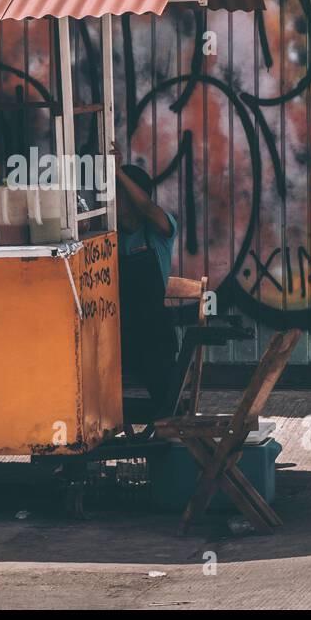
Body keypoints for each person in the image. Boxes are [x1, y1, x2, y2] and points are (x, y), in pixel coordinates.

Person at [110, 143, 180, 421]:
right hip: (119, 331)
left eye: (120, 195)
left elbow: (148, 209)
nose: (115, 201)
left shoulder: (160, 229)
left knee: (166, 399)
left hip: (153, 333)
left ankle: (173, 437)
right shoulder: (109, 235)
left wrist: (119, 174)